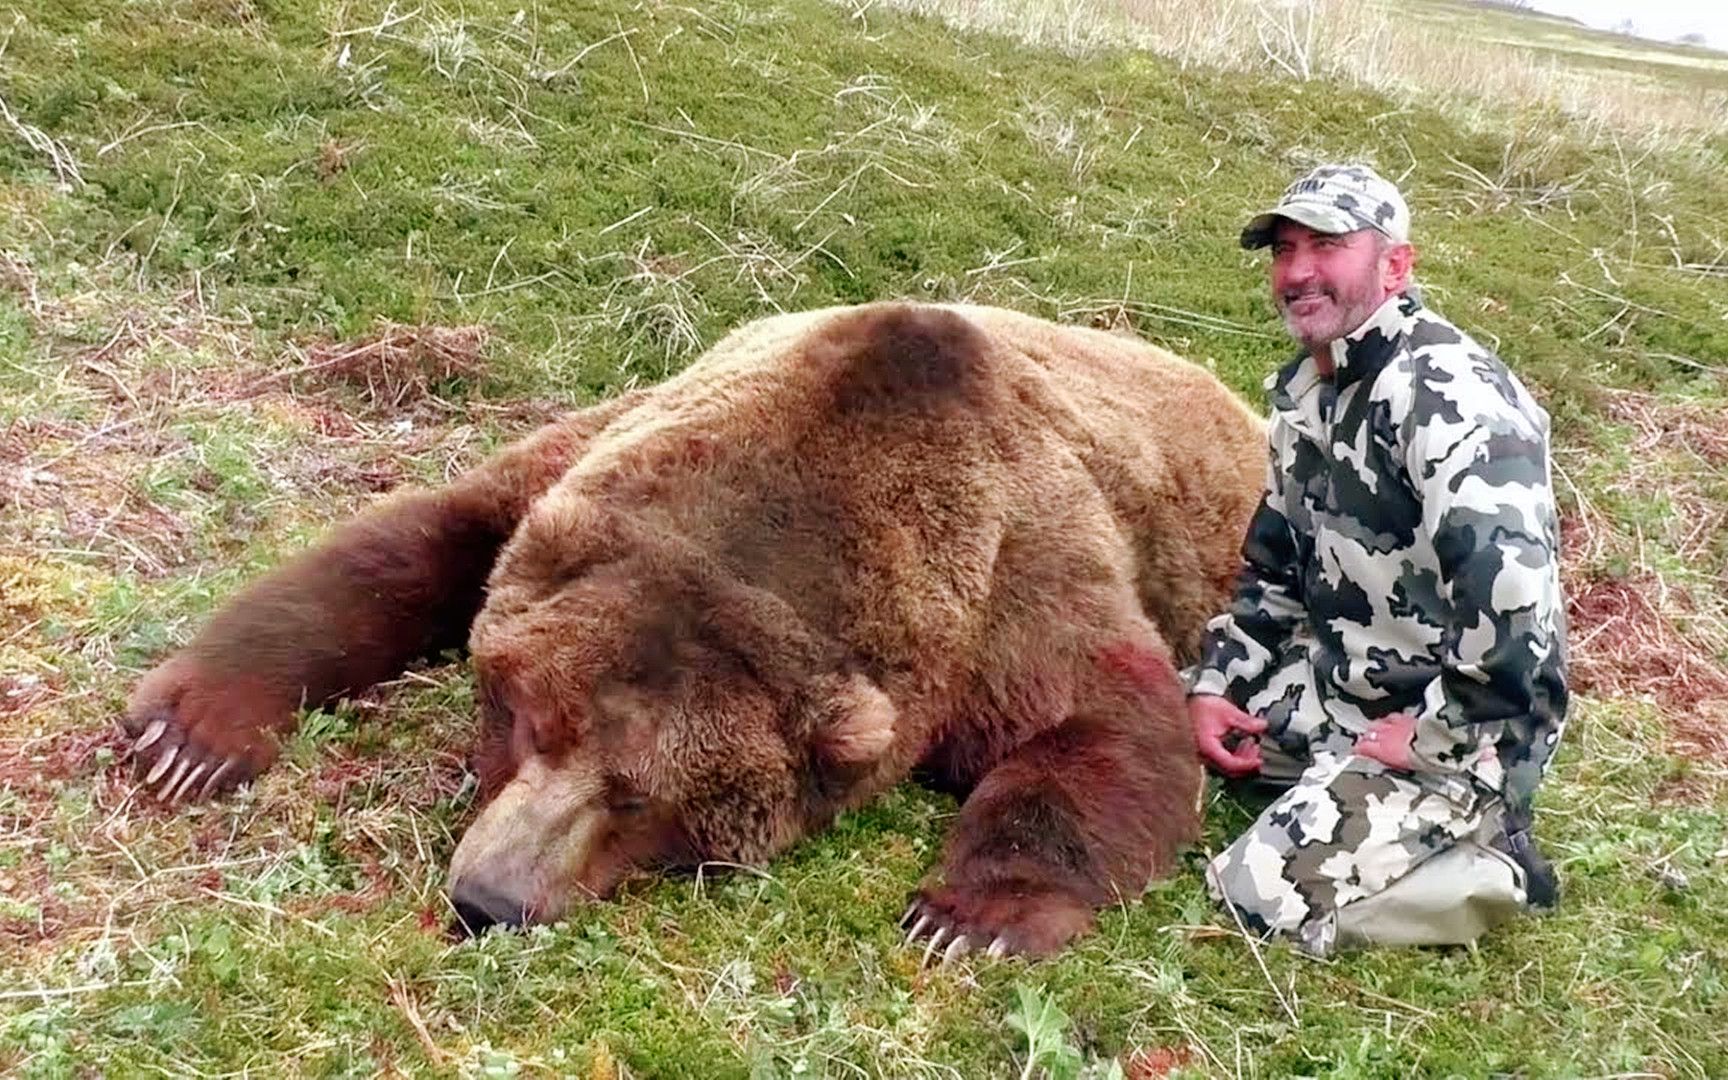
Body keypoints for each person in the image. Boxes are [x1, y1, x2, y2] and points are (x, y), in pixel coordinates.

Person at [1186, 163, 1567, 958]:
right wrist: (1220, 683)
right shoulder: (1311, 394)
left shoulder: (1448, 393)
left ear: (1396, 264)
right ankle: (1346, 789)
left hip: (1464, 723)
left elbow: (1516, 597)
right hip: (1351, 686)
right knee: (1179, 738)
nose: (1296, 273)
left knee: (1252, 894)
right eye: (1285, 249)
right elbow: (1275, 565)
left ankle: (1489, 859)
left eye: (1326, 245)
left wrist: (1439, 735)